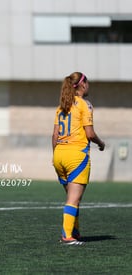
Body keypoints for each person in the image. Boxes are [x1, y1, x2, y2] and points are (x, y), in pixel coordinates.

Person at [52, 72, 105, 245]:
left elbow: (54, 136)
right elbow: (89, 133)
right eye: (87, 82)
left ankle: (74, 231)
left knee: (73, 197)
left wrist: (56, 156)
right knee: (74, 199)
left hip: (59, 154)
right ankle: (67, 236)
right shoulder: (85, 104)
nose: (88, 85)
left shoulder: (61, 107)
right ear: (82, 85)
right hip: (76, 155)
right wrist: (101, 143)